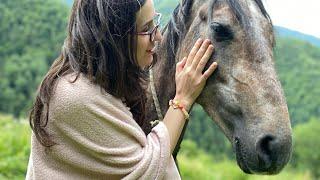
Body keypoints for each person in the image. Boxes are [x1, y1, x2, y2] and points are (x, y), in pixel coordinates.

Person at [26, 0, 217, 179]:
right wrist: (182, 99)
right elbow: (146, 172)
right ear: (113, 37)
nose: (158, 36)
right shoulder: (74, 95)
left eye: (155, 22)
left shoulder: (106, 80)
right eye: (145, 29)